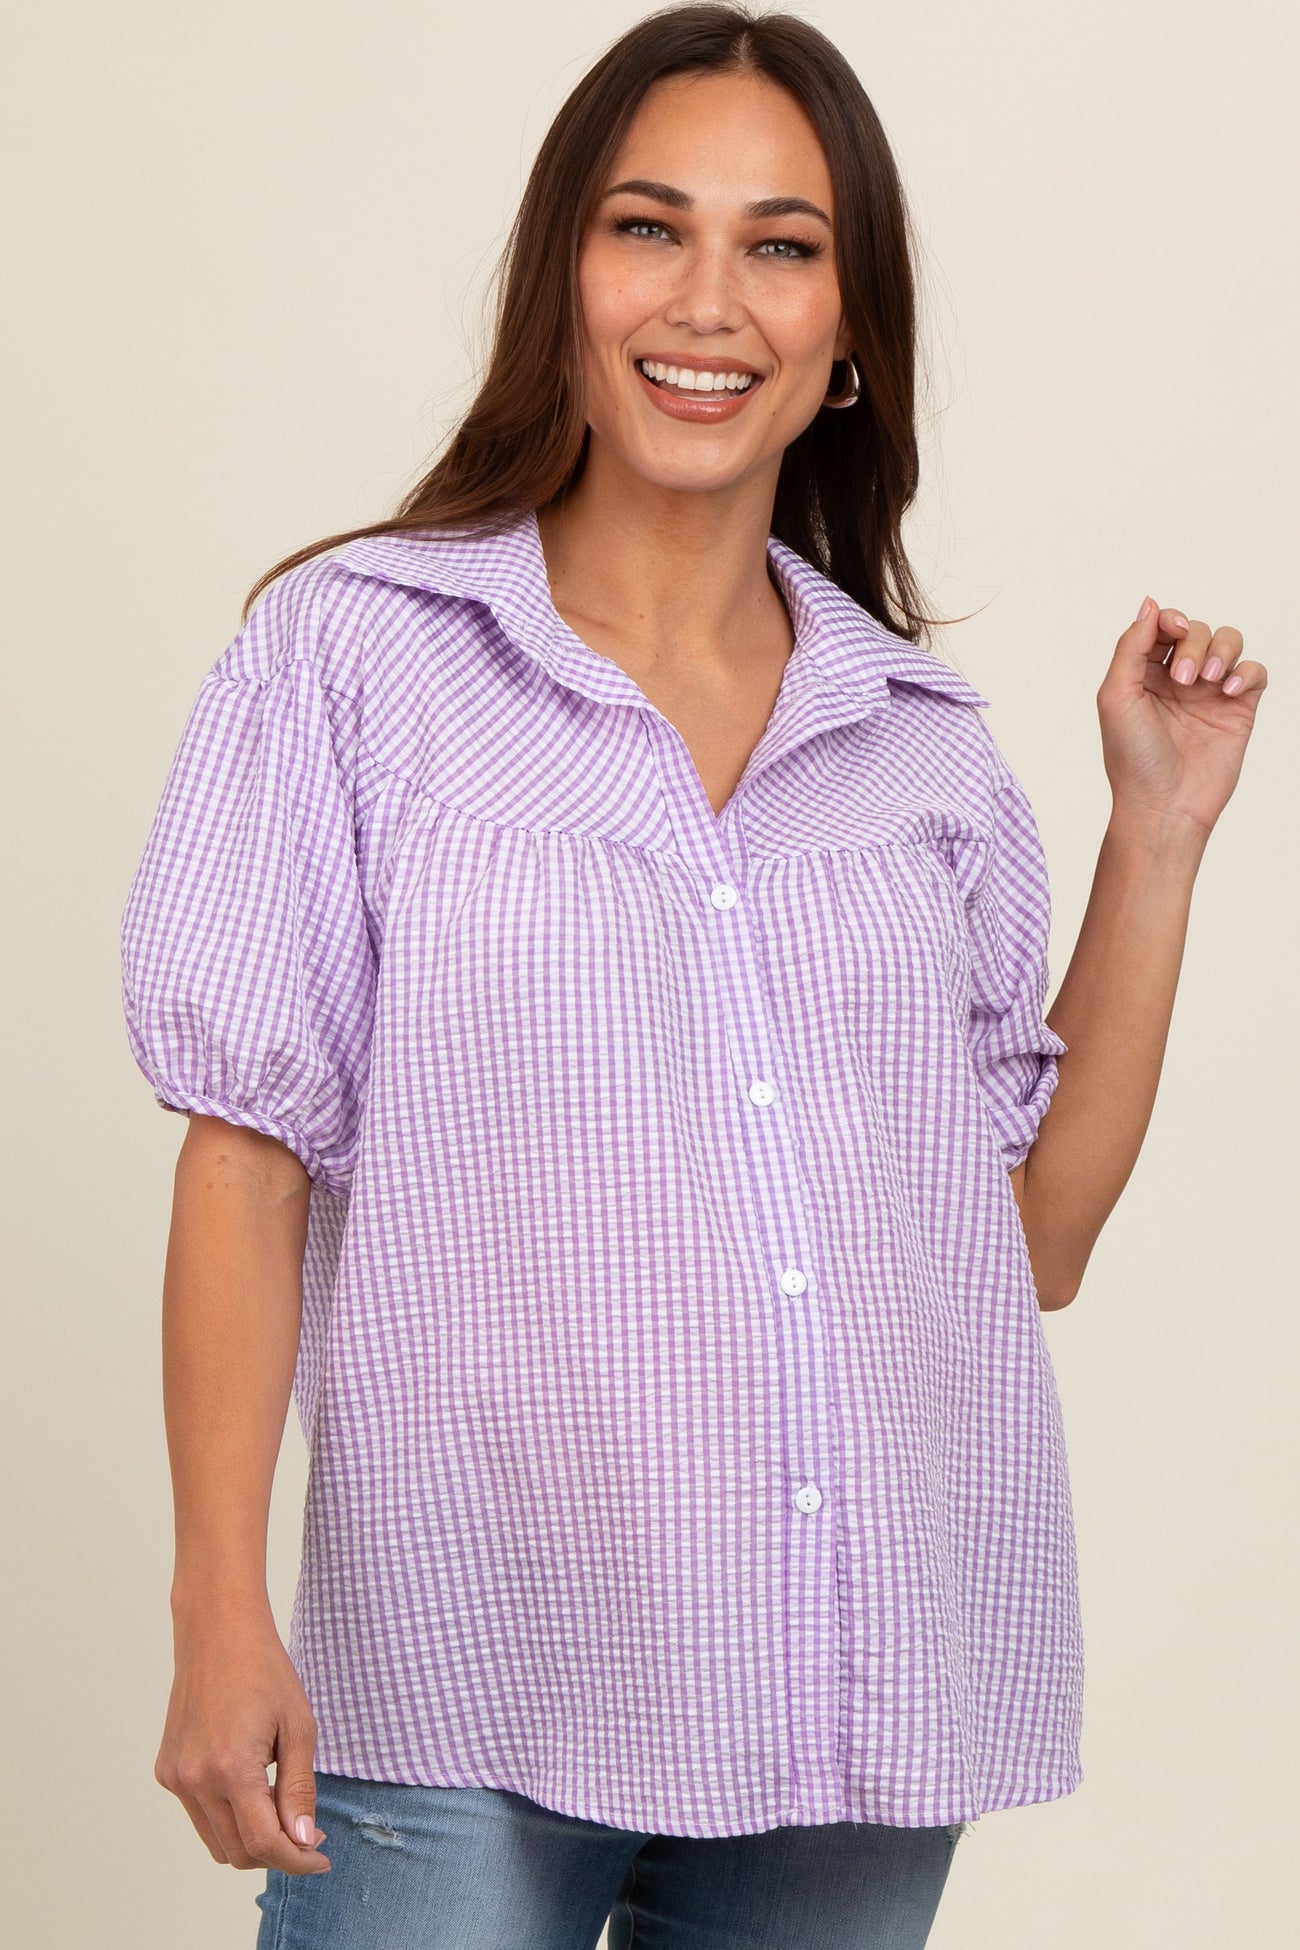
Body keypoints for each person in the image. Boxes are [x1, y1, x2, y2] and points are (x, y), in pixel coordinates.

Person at [118, 6, 1267, 1947]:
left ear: (847, 333)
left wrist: (1152, 833)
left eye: (780, 245)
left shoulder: (919, 748)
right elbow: (245, 1154)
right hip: (466, 1678)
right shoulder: (352, 661)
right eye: (647, 226)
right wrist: (219, 1607)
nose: (707, 300)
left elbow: (1029, 1244)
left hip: (853, 1686)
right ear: (561, 278)